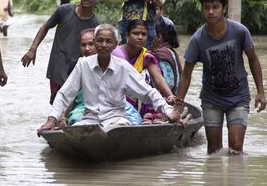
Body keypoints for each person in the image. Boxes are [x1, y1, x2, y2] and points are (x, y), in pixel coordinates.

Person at [172, 0, 266, 154]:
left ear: (224, 8)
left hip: (238, 96)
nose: (211, 12)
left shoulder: (239, 31)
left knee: (236, 148)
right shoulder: (198, 39)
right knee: (214, 151)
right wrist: (178, 106)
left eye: (215, 7)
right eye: (206, 8)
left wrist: (260, 92)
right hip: (211, 99)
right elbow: (186, 75)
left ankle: (234, 178)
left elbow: (253, 60)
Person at [37, 24, 180, 135]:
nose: (104, 45)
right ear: (94, 42)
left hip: (116, 121)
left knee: (122, 130)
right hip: (89, 120)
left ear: (115, 44)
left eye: (108, 41)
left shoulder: (123, 67)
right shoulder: (83, 65)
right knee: (76, 129)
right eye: (100, 41)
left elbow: (148, 92)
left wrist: (168, 111)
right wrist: (52, 119)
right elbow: (64, 94)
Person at [22, 0, 101, 104]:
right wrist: (33, 49)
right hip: (58, 67)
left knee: (74, 106)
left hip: (78, 70)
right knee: (57, 105)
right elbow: (45, 27)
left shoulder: (96, 25)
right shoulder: (64, 10)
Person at [112, 20, 176, 124]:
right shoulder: (118, 53)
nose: (140, 37)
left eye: (144, 34)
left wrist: (170, 97)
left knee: (147, 75)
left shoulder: (146, 55)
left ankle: (147, 112)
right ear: (127, 35)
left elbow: (158, 78)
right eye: (136, 33)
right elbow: (127, 77)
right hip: (119, 95)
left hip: (140, 95)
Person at [61, 28, 96, 126]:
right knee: (76, 120)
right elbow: (67, 93)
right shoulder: (76, 65)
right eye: (83, 45)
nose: (87, 48)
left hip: (109, 108)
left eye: (91, 44)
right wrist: (62, 116)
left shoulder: (112, 63)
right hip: (83, 108)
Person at [152, 20, 182, 95]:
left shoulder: (160, 54)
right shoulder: (170, 51)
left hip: (166, 99)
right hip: (174, 95)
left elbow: (168, 83)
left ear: (158, 37)